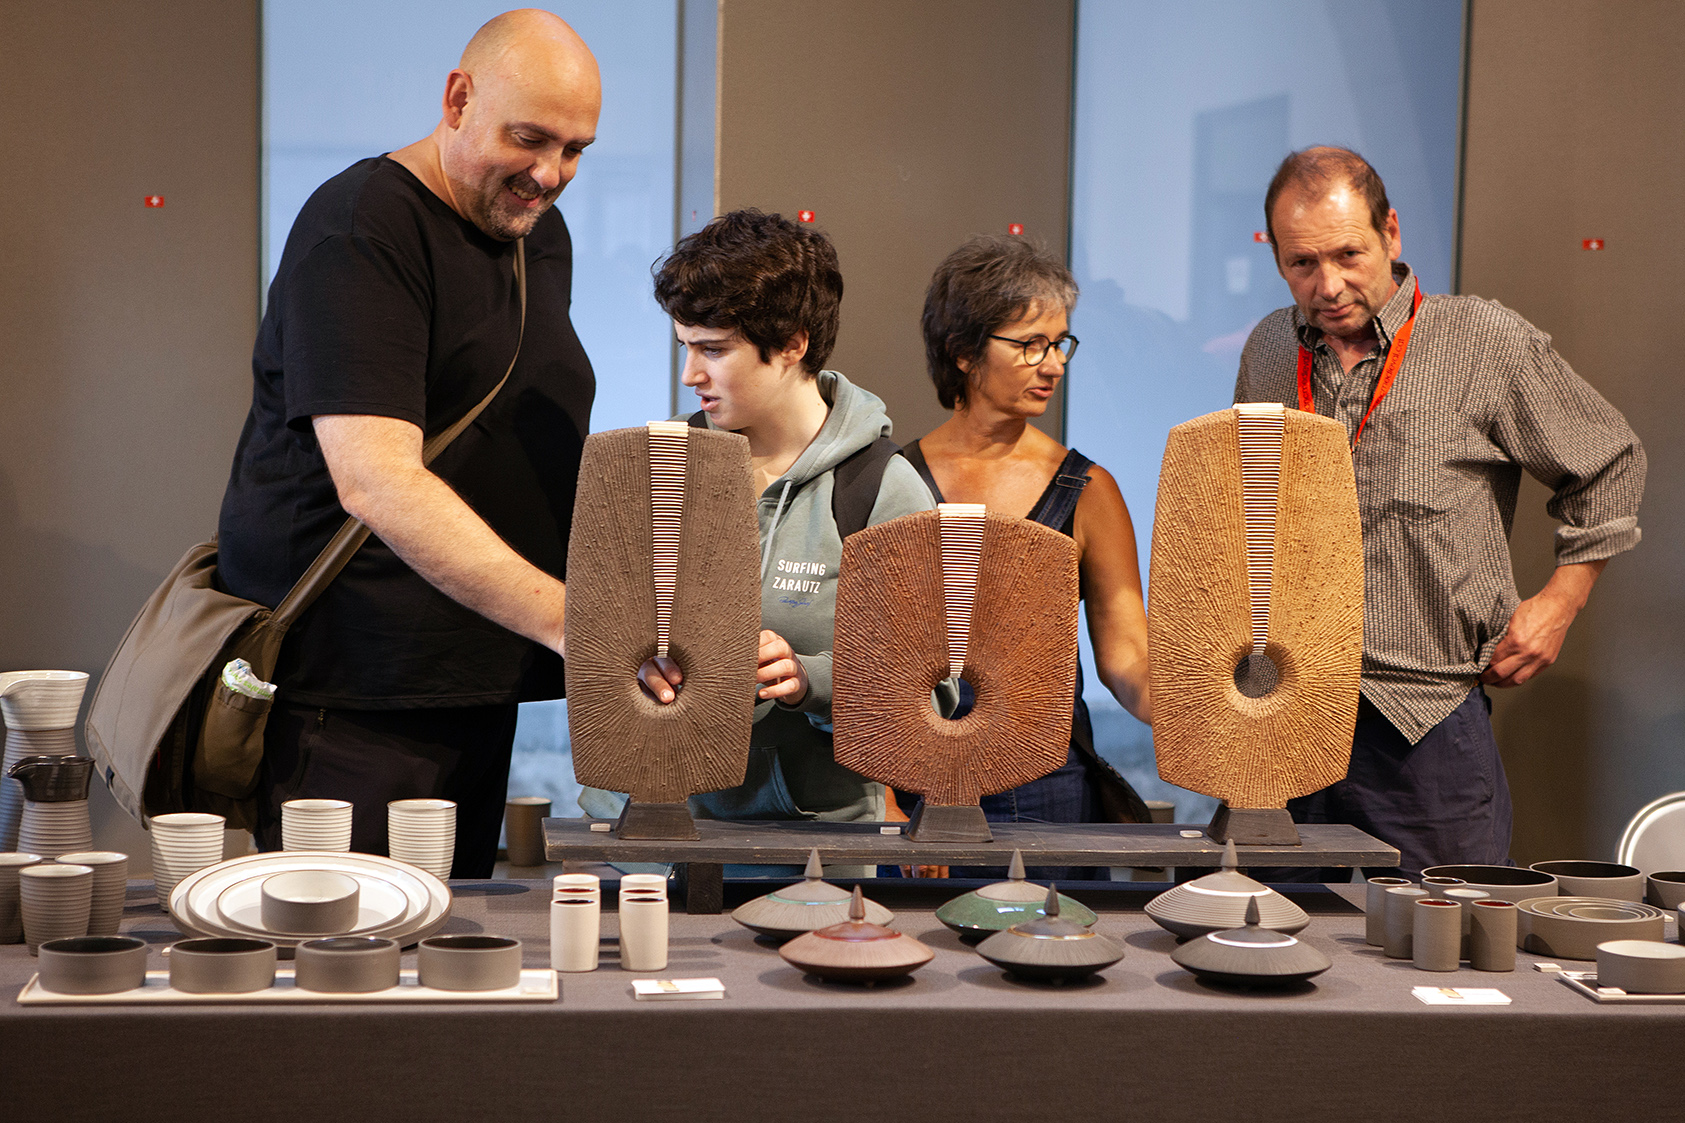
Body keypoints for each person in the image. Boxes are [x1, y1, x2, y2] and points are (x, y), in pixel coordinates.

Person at [216, 11, 601, 876]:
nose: (549, 175)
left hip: (474, 678)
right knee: (351, 949)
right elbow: (377, 480)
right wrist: (573, 622)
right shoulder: (362, 227)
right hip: (355, 693)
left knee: (454, 944)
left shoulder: (534, 232)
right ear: (457, 100)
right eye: (528, 139)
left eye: (574, 149)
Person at [1235, 146, 1645, 878]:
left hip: (1421, 723)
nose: (1328, 285)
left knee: (1444, 934)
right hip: (1282, 712)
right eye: (1302, 264)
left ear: (1390, 233)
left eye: (1348, 254)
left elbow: (1610, 461)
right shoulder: (1269, 348)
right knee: (1268, 928)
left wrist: (1559, 602)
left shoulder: (1481, 340)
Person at [583, 209, 938, 836]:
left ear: (794, 344)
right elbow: (591, 641)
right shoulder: (662, 464)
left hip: (803, 846)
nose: (690, 374)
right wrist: (635, 661)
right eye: (685, 346)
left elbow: (930, 695)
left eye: (714, 349)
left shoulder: (879, 487)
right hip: (643, 830)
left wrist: (807, 678)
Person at [907, 235, 1154, 879]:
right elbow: (870, 659)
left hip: (1046, 781)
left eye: (1060, 343)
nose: (1054, 364)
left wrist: (1194, 709)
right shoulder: (893, 480)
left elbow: (1127, 653)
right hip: (916, 770)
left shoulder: (1088, 488)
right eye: (1030, 345)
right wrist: (883, 795)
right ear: (963, 351)